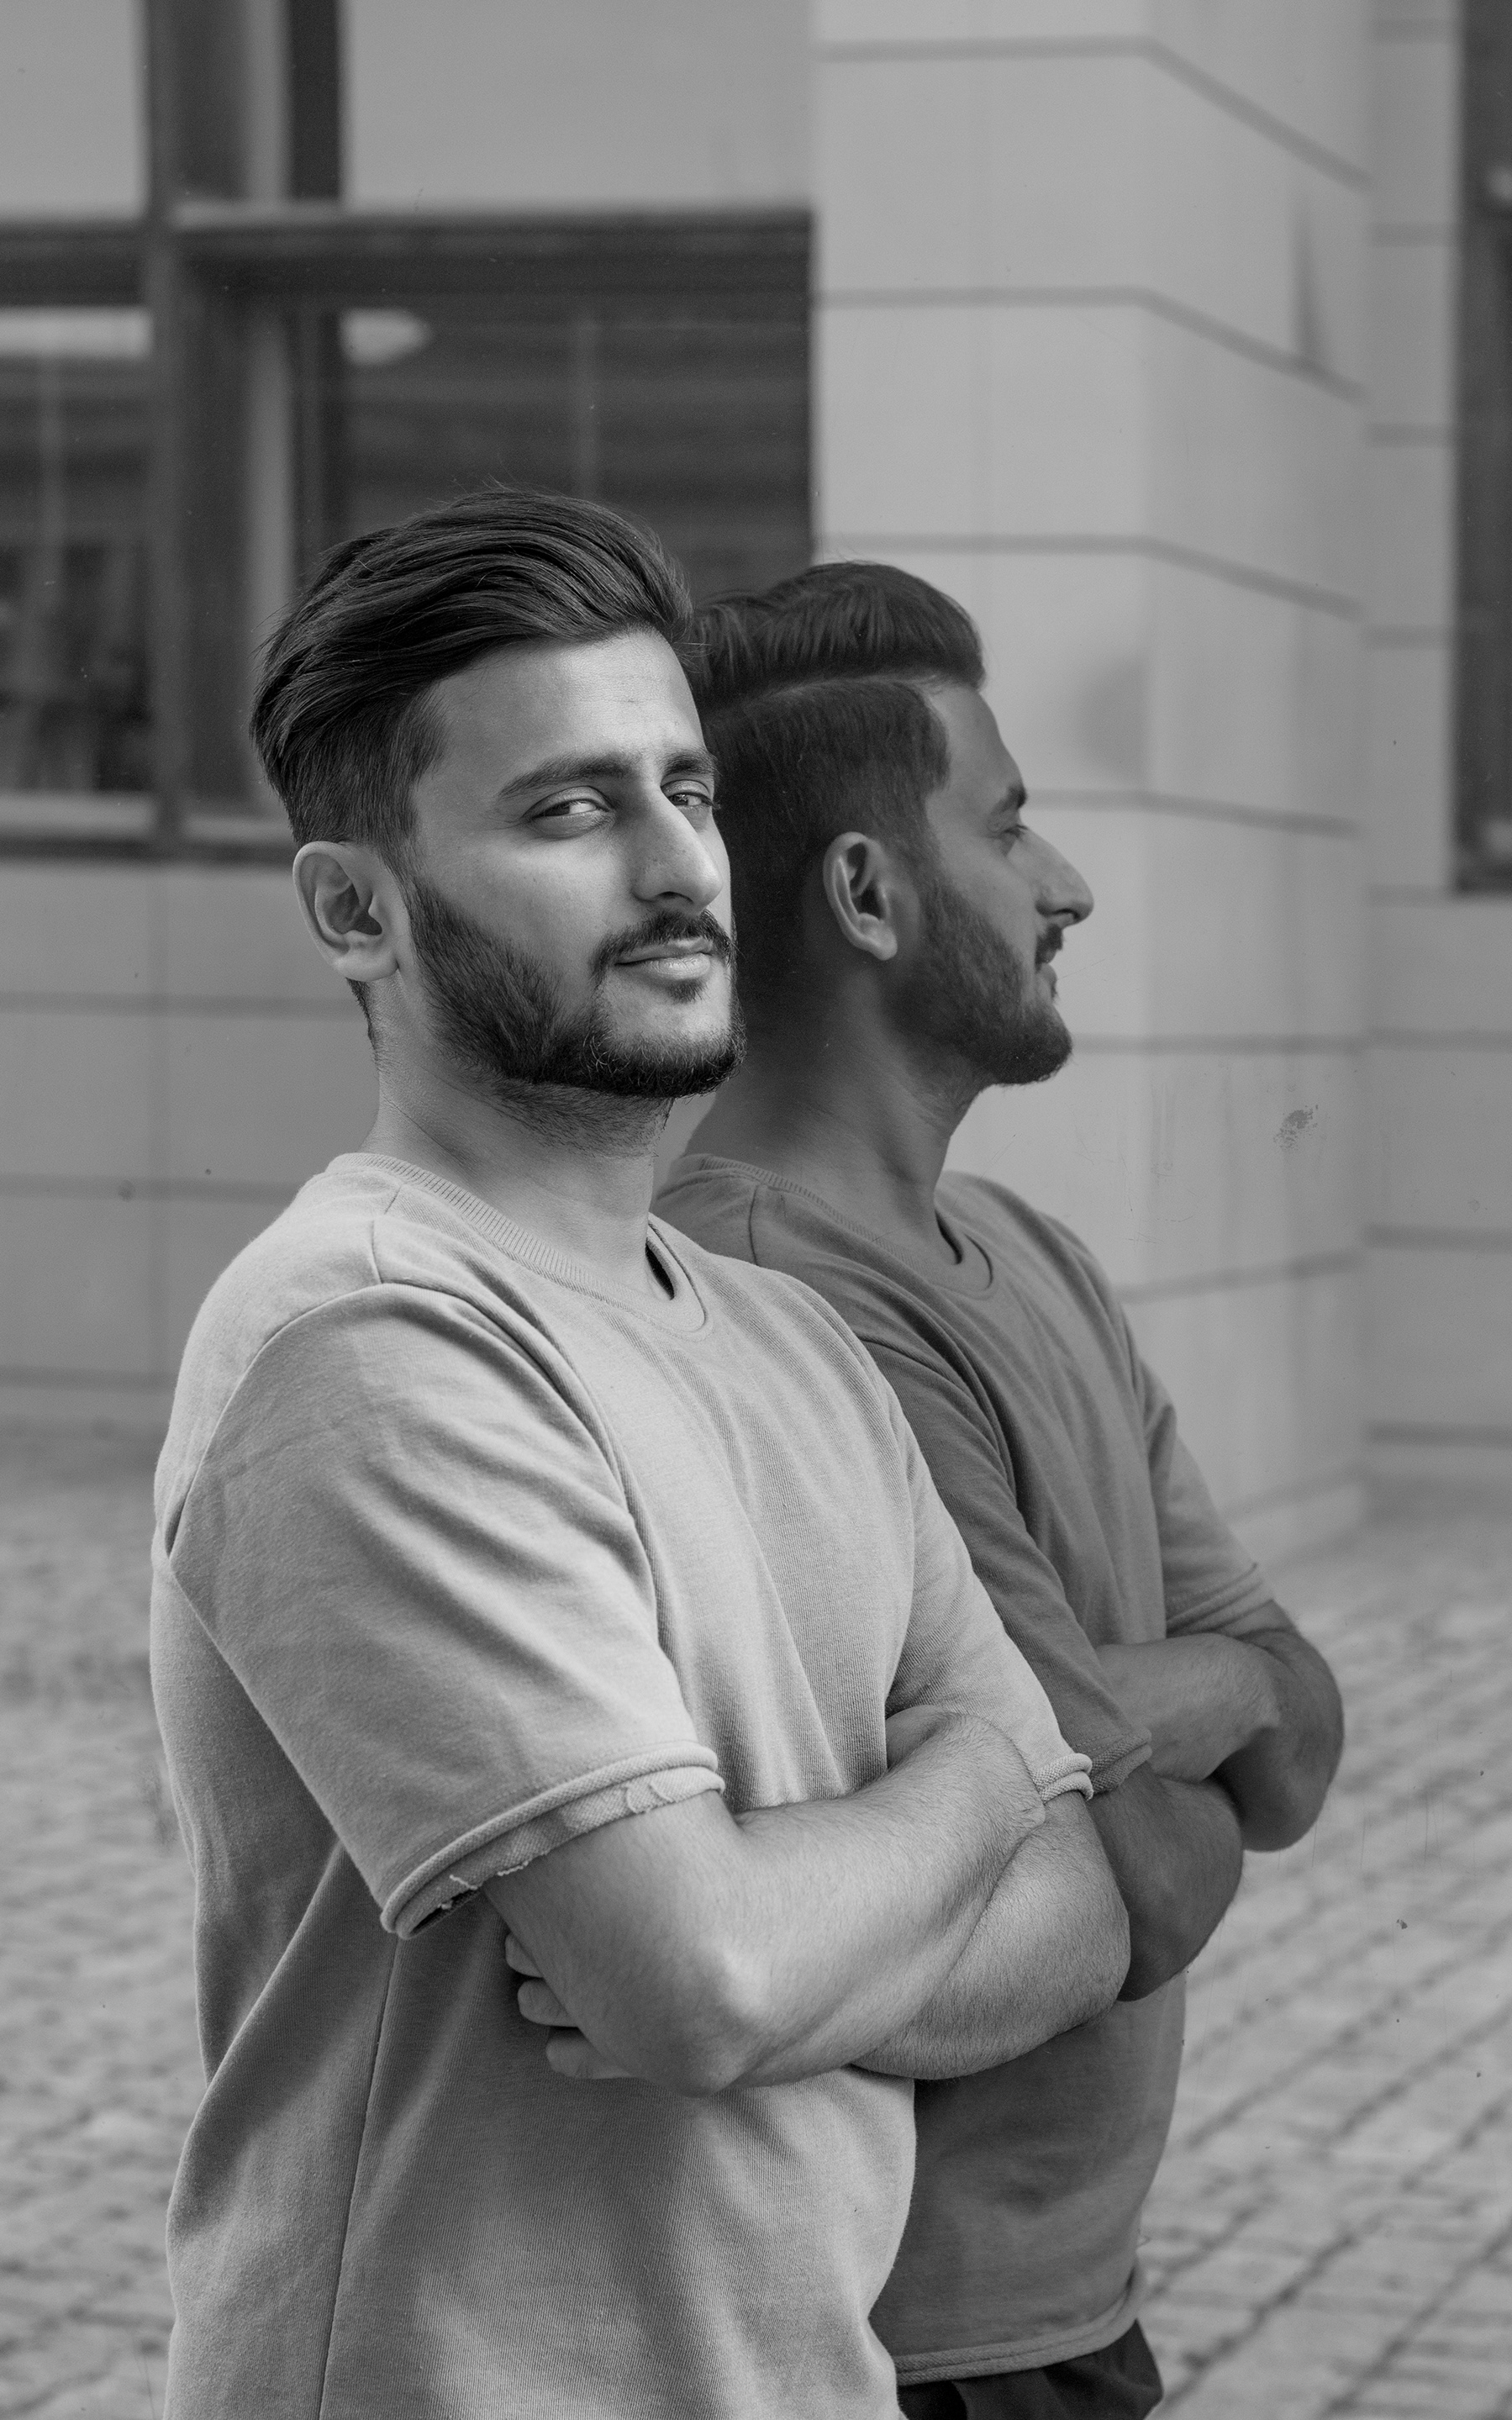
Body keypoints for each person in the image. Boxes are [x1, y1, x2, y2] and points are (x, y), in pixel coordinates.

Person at [150, 494, 1130, 2420]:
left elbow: (1081, 1917)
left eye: (686, 790)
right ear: (356, 910)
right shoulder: (368, 1343)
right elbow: (704, 1981)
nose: (682, 866)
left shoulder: (796, 1347)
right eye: (570, 810)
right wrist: (980, 1782)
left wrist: (785, 1938)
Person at [656, 561, 1346, 2420]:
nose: (1069, 885)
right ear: (868, 894)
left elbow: (1299, 1734)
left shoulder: (1034, 1258)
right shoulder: (773, 1299)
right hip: (895, 2343)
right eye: (1012, 824)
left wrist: (1200, 1695)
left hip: (1066, 2314)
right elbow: (1148, 1886)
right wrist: (1212, 1702)